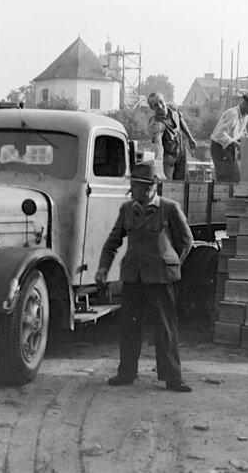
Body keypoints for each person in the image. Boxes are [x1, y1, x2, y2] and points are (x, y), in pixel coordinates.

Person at [95, 161, 194, 392]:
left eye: (137, 187)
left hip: (161, 279)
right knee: (129, 327)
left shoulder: (170, 208)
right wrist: (102, 268)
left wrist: (172, 264)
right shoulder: (127, 209)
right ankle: (127, 373)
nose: (133, 191)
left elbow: (186, 241)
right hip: (133, 277)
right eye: (133, 186)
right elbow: (112, 242)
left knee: (165, 328)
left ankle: (173, 378)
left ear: (151, 187)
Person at [209, 91, 248, 182]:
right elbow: (220, 134)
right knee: (226, 178)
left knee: (235, 178)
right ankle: (221, 195)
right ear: (246, 103)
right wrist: (239, 146)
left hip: (229, 149)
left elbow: (241, 134)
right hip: (219, 148)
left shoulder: (245, 117)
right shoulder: (232, 114)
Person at [147, 92, 197, 181]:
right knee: (166, 184)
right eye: (155, 105)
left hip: (181, 153)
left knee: (183, 184)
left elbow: (181, 121)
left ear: (164, 100)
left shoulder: (173, 109)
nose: (160, 106)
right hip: (167, 158)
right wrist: (159, 162)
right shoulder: (155, 124)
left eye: (161, 102)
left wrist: (190, 137)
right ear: (152, 108)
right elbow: (158, 144)